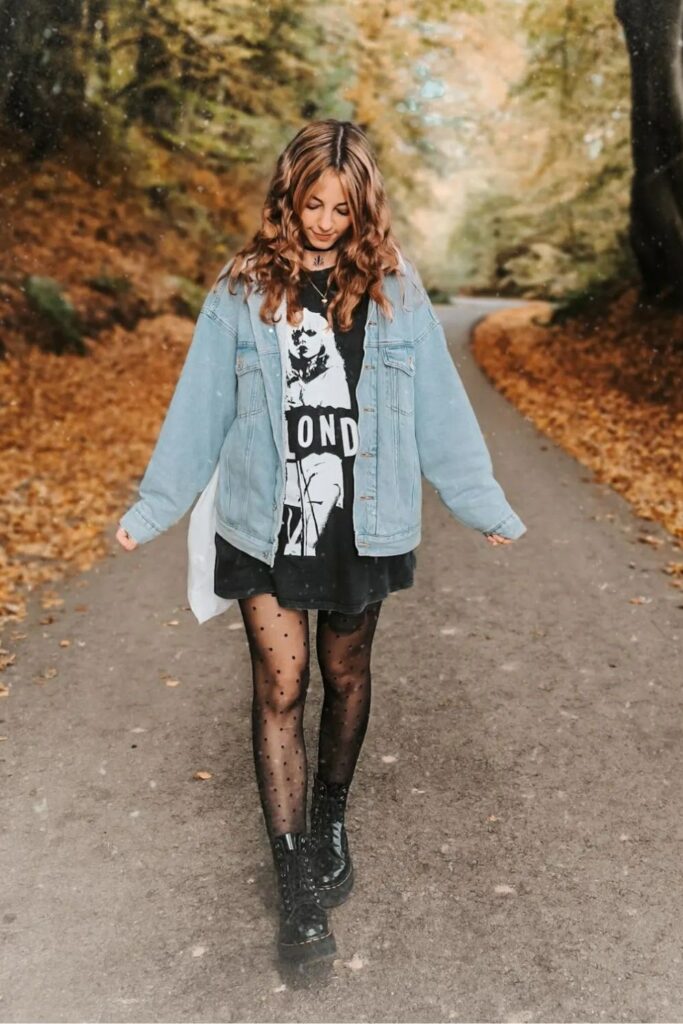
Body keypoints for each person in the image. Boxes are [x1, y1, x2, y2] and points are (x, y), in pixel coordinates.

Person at [116, 118, 527, 966]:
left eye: (343, 207)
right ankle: (296, 878)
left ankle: (331, 809)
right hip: (266, 517)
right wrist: (155, 506)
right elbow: (201, 408)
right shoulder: (241, 288)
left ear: (362, 206)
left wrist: (480, 501)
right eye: (312, 203)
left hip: (358, 517)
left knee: (343, 674)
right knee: (282, 681)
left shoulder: (392, 288)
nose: (326, 221)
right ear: (288, 197)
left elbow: (438, 408)